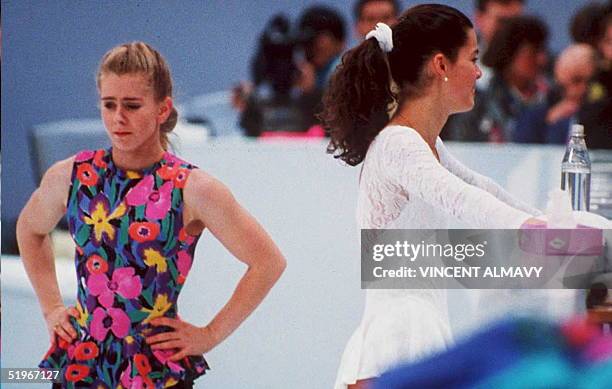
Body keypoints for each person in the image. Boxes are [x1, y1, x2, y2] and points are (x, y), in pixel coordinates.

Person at [16, 42, 286, 388]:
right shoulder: (72, 175)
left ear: (162, 109)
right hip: (83, 365)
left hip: (156, 370)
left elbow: (267, 262)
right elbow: (29, 228)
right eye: (109, 105)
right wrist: (51, 308)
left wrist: (210, 334)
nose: (118, 118)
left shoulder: (193, 188)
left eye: (132, 105)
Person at [319, 5, 540, 389]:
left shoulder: (424, 142)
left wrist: (567, 231)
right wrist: (533, 230)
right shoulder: (398, 144)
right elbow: (458, 198)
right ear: (440, 65)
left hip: (415, 324)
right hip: (398, 335)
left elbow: (481, 189)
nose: (479, 72)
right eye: (472, 59)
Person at [444, 15, 549, 142]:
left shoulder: (551, 98)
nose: (541, 60)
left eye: (543, 51)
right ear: (509, 55)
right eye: (532, 52)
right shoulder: (477, 105)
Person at [514, 44, 597, 144]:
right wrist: (549, 122)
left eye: (590, 81)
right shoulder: (537, 113)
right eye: (576, 80)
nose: (583, 89)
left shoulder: (602, 113)